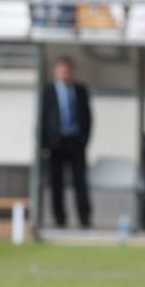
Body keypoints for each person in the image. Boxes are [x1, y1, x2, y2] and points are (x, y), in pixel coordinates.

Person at [40, 56, 92, 229]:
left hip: (76, 143)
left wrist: (84, 140)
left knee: (80, 183)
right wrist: (44, 144)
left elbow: (87, 118)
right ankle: (60, 219)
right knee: (57, 183)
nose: (64, 73)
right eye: (61, 70)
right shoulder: (47, 91)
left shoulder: (80, 90)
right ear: (55, 71)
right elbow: (43, 119)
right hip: (56, 144)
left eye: (67, 70)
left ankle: (84, 219)